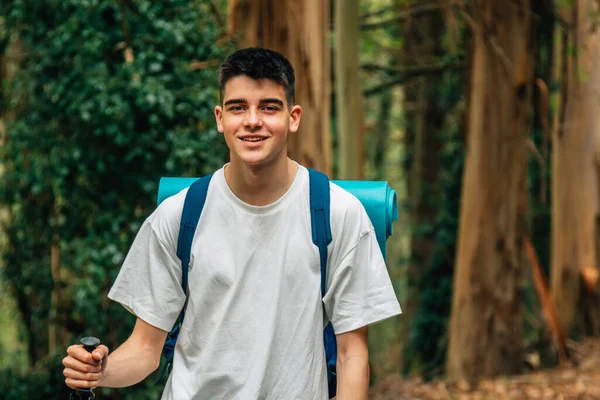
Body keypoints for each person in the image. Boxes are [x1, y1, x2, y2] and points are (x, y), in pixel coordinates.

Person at [62, 47, 401, 400]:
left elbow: (352, 355)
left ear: (294, 117)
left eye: (269, 107)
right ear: (220, 118)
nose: (252, 120)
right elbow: (145, 350)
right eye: (238, 107)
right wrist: (97, 371)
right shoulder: (179, 216)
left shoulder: (338, 213)